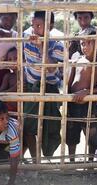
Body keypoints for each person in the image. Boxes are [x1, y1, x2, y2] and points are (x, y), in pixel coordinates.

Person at [23, 11, 64, 159]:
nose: (34, 29)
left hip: (49, 88)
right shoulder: (26, 38)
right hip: (31, 87)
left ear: (50, 26)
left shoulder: (57, 44)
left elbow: (52, 68)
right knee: (28, 126)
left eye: (39, 26)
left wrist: (41, 47)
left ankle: (46, 157)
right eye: (33, 25)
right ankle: (35, 160)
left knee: (50, 127)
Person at [66, 29, 97, 162]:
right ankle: (71, 161)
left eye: (89, 43)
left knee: (91, 134)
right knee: (72, 134)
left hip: (88, 103)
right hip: (73, 103)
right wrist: (66, 99)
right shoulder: (77, 61)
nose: (85, 47)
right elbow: (69, 83)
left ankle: (89, 161)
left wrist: (87, 91)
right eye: (83, 44)